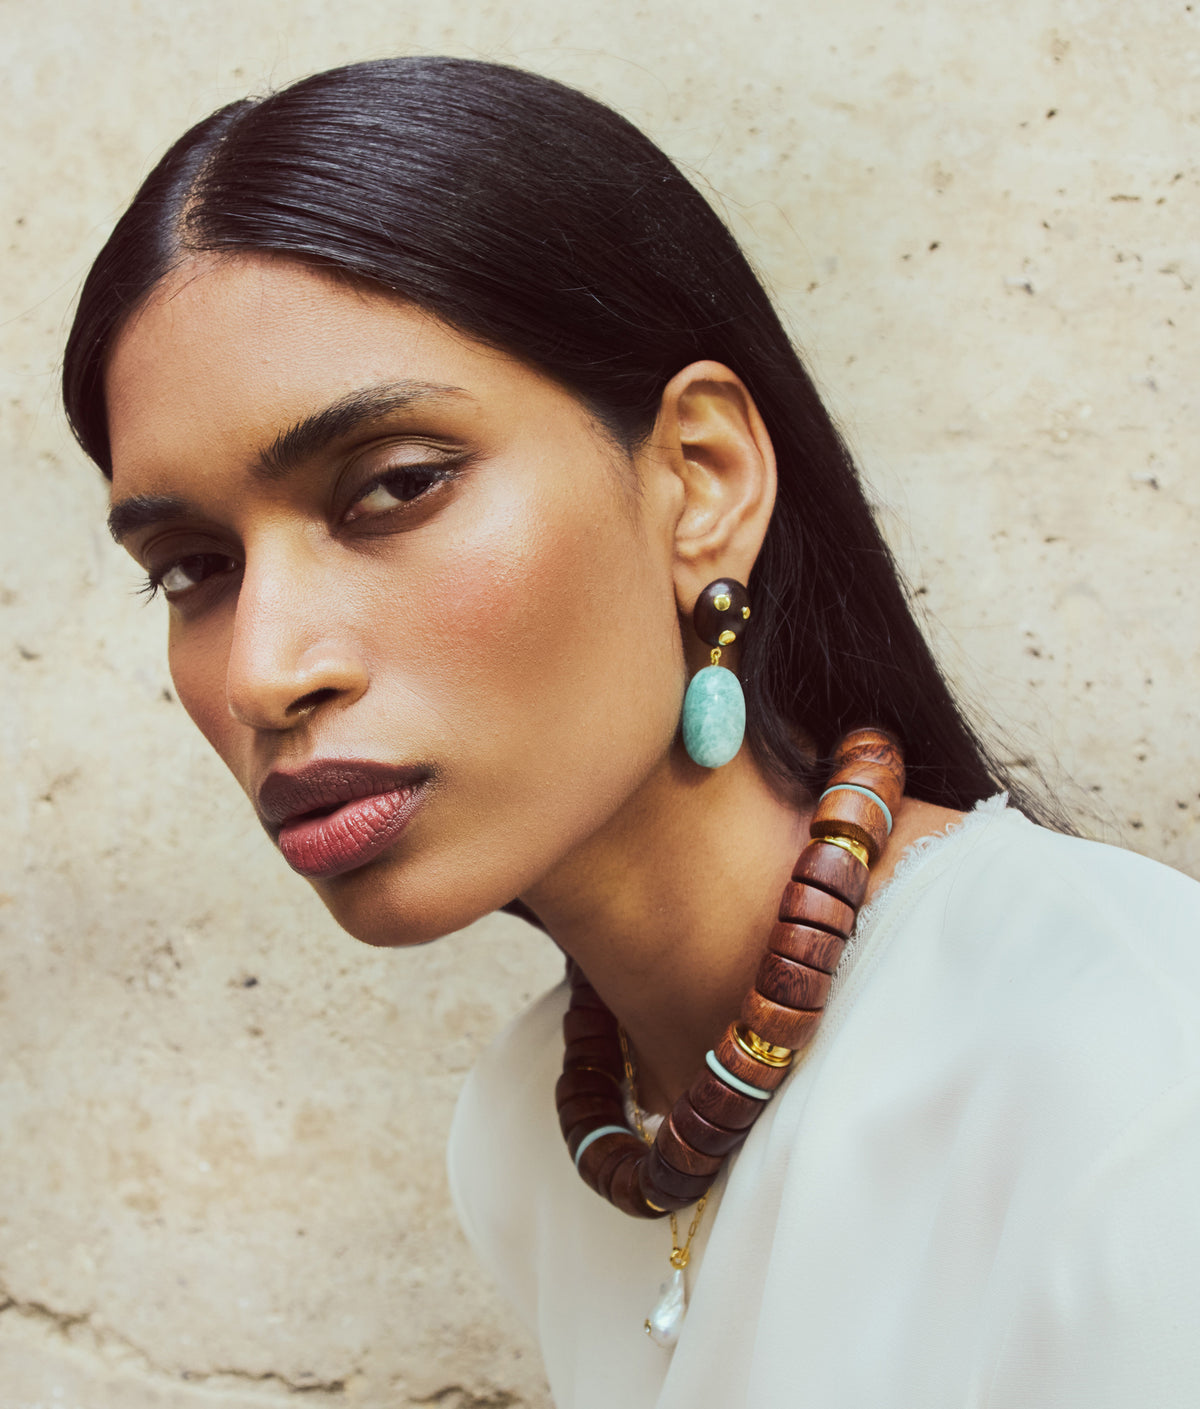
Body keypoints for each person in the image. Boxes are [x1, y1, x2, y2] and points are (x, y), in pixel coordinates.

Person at [62, 55, 1200, 1409]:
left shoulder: (1130, 1076)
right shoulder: (530, 1137)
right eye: (195, 567)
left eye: (393, 487)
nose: (262, 672)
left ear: (701, 483)